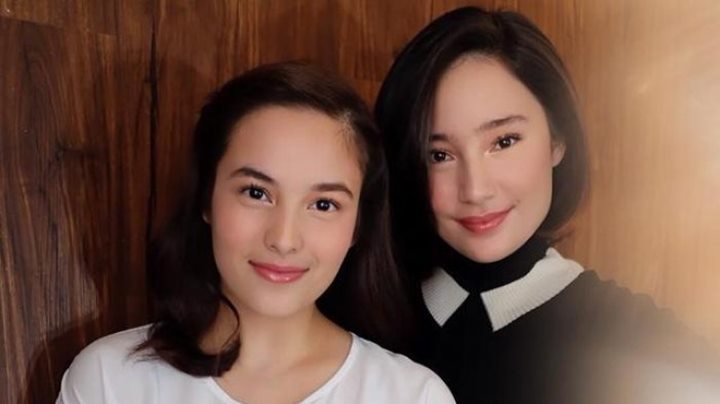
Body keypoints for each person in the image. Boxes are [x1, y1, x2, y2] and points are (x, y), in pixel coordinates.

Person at [375, 6, 720, 404]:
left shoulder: (640, 342)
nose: (475, 190)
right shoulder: (361, 318)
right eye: (439, 155)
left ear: (557, 140)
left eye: (504, 141)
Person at [57, 62, 455, 404]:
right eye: (256, 193)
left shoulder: (411, 395)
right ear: (206, 199)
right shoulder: (110, 380)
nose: (283, 239)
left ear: (358, 227)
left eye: (323, 204)